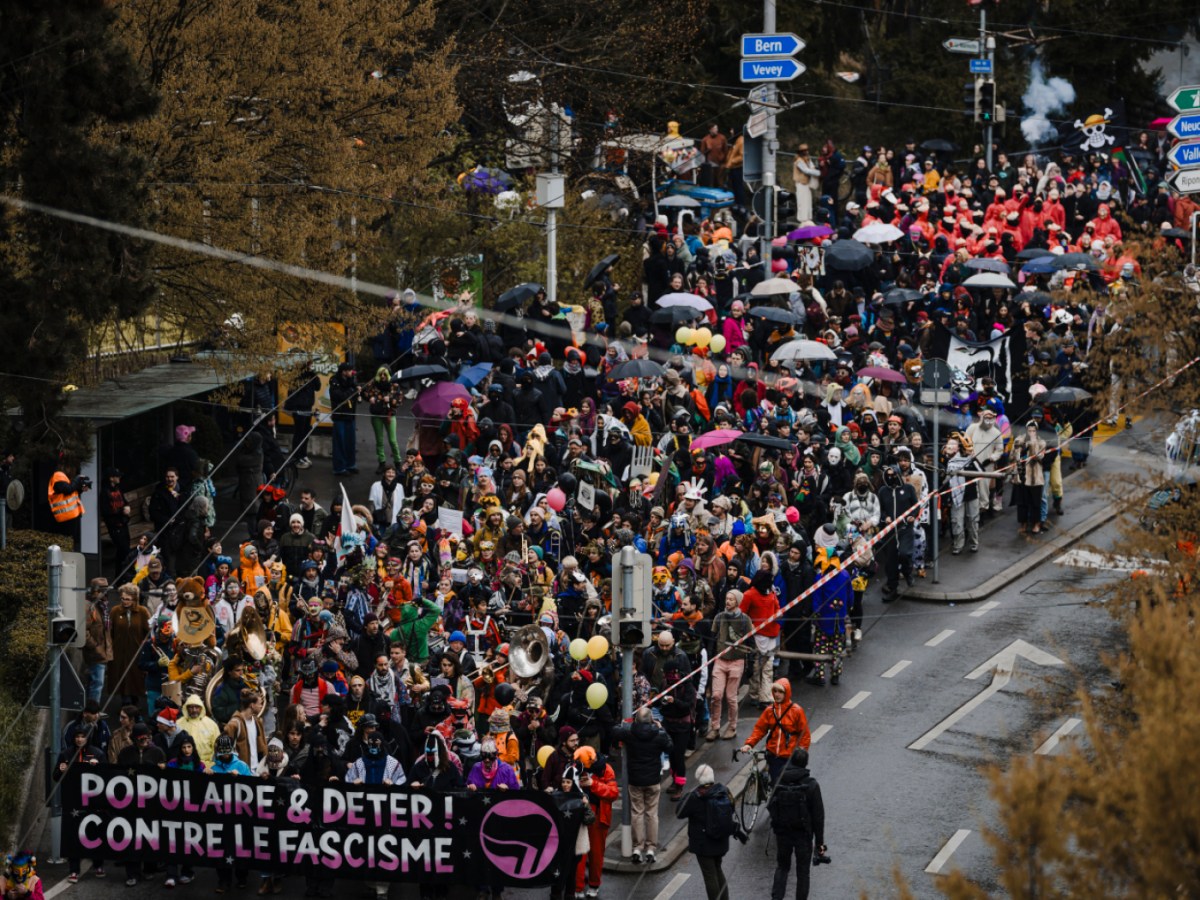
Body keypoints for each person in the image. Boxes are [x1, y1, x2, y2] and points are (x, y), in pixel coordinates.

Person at [611, 708, 671, 864]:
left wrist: (624, 724)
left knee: (637, 813)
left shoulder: (630, 733)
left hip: (635, 780)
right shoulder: (658, 734)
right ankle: (651, 848)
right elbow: (670, 746)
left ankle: (637, 847)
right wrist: (661, 728)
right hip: (653, 780)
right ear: (651, 720)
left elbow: (615, 730)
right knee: (652, 814)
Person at [766, 747, 826, 900]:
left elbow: (772, 806)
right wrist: (819, 843)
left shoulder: (779, 780)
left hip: (783, 833)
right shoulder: (811, 785)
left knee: (782, 867)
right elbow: (818, 816)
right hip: (803, 835)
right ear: (805, 763)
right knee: (803, 872)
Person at [676, 764, 733, 900]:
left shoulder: (696, 797)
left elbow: (679, 812)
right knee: (718, 870)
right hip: (721, 841)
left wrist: (688, 794)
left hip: (704, 844)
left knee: (709, 875)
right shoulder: (724, 790)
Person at [741, 678, 811, 782]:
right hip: (773, 756)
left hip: (789, 757)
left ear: (786, 693)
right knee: (775, 784)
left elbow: (804, 735)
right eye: (775, 691)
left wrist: (801, 754)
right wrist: (749, 744)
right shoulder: (769, 711)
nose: (777, 694)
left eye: (780, 692)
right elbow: (760, 729)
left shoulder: (796, 711)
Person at [708, 590, 752, 741]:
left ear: (737, 602)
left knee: (731, 697)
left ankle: (732, 727)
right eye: (727, 599)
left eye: (731, 600)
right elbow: (712, 639)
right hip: (720, 660)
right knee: (716, 695)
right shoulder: (719, 617)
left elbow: (750, 643)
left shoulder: (745, 620)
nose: (728, 602)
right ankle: (715, 727)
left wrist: (750, 664)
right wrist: (710, 658)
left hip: (737, 661)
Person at [82, 579, 112, 705]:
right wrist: (95, 646)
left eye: (105, 590)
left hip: (101, 652)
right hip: (95, 652)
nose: (103, 594)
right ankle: (93, 712)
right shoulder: (88, 606)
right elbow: (83, 630)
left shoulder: (102, 606)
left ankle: (88, 709)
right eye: (100, 590)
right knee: (97, 684)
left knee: (93, 682)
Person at [328, 362, 360, 476]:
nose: (352, 372)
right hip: (340, 416)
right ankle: (339, 467)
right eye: (350, 370)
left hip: (350, 415)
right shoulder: (334, 381)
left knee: (350, 441)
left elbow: (355, 392)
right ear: (344, 372)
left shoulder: (352, 381)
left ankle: (350, 464)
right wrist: (353, 391)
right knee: (339, 442)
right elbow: (339, 396)